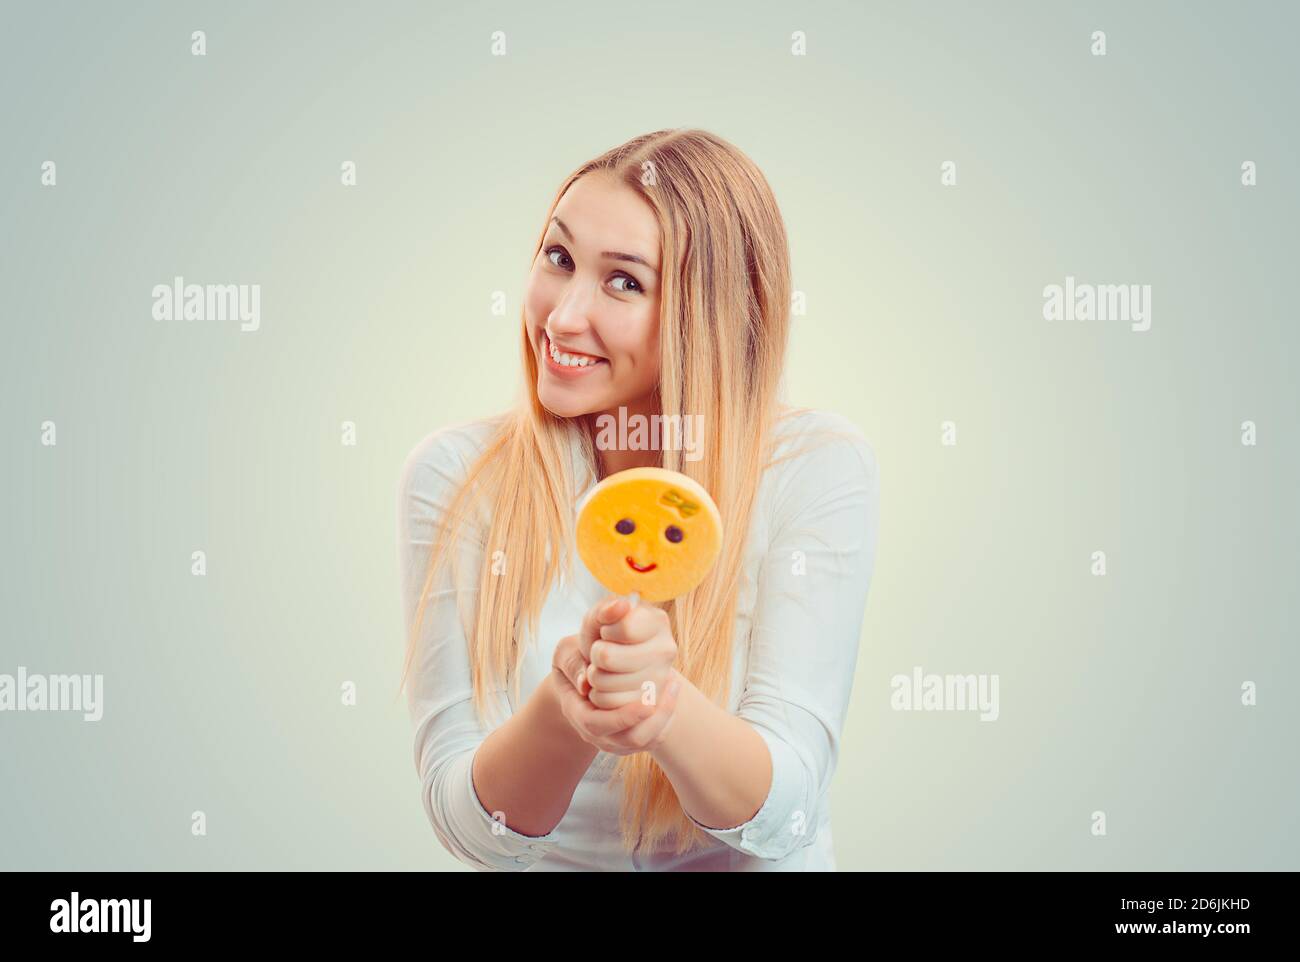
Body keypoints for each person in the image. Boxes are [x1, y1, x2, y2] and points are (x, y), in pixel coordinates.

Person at [396, 128, 879, 871]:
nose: (561, 318)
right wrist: (566, 708)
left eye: (624, 281)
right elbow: (468, 828)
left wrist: (665, 709)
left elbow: (788, 816)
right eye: (559, 259)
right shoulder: (454, 478)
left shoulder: (815, 469)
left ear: (712, 314)